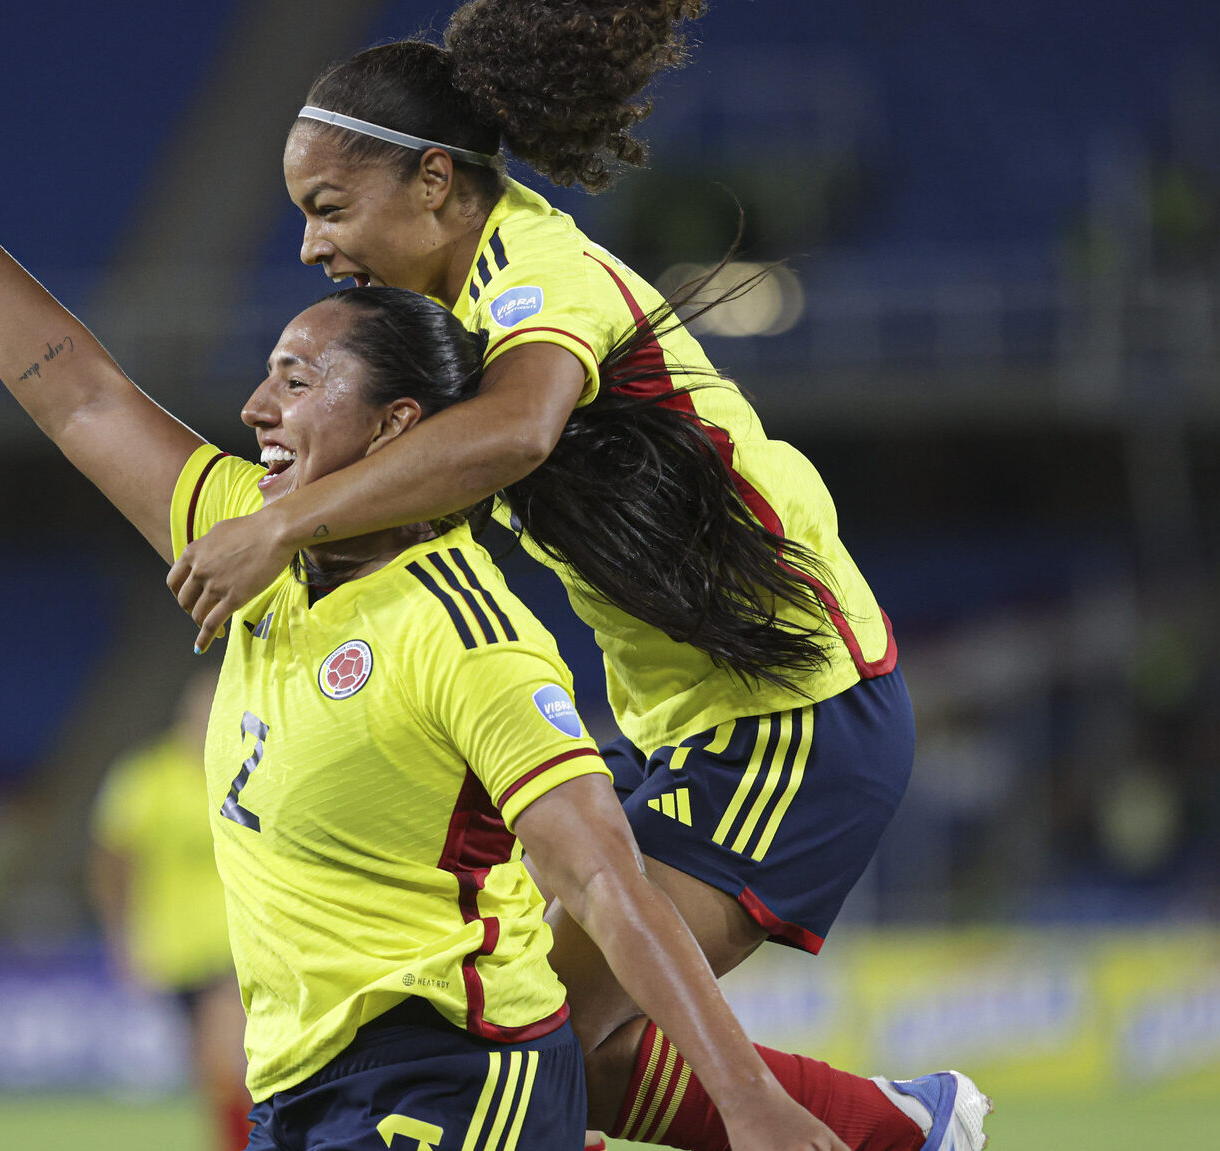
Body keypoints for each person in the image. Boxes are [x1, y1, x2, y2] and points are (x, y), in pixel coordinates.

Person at [0, 43, 862, 1151]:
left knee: (592, 1049)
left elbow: (597, 873)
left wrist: (746, 1103)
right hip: (296, 1095)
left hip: (447, 1077)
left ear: (399, 425)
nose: (256, 406)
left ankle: (887, 1130)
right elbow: (76, 392)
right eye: (267, 373)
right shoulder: (247, 536)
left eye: (298, 380)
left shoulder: (455, 626)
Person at [163, 4, 991, 1150]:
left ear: (438, 184)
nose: (311, 245)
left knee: (540, 1039)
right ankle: (898, 1126)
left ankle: (899, 1130)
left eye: (330, 207)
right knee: (546, 1047)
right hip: (707, 716)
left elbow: (519, 431)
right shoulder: (441, 324)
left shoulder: (534, 270)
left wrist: (282, 526)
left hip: (791, 710)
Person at [90, 667, 251, 1151]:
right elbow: (110, 865)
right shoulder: (145, 780)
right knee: (214, 1073)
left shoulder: (247, 767)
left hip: (238, 948)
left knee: (233, 1062)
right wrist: (122, 937)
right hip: (177, 952)